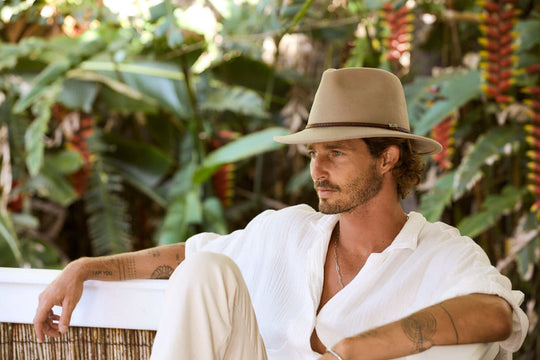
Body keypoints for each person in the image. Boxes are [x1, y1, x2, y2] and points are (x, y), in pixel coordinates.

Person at [34, 67, 528, 360]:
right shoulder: (288, 230)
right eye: (312, 154)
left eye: (334, 153)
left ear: (387, 157)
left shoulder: (439, 251)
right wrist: (87, 267)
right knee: (207, 269)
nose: (316, 170)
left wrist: (363, 347)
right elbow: (188, 257)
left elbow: (496, 314)